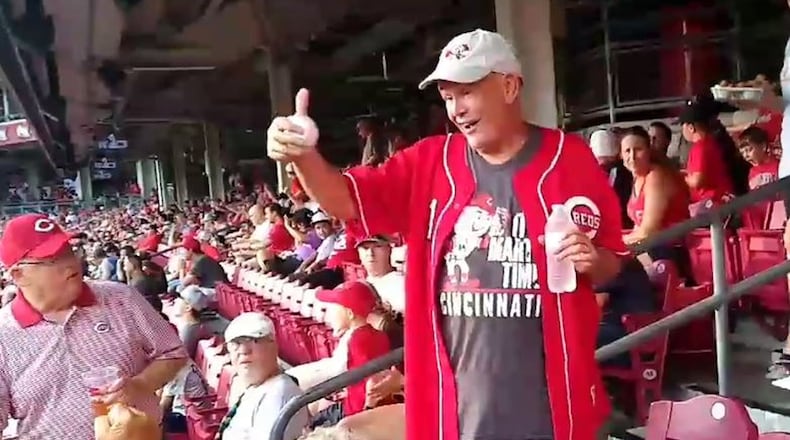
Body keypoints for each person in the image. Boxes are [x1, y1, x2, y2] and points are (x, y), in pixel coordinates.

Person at [268, 28, 627, 440]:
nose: (457, 109)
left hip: (551, 402)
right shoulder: (429, 162)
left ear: (510, 86)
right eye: (448, 96)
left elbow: (611, 261)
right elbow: (347, 201)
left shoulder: (570, 159)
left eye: (467, 92)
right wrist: (304, 157)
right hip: (456, 404)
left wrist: (593, 260)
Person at [0, 214, 188, 439]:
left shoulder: (121, 298)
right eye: (53, 259)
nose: (72, 263)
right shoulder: (4, 334)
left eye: (70, 252)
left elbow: (174, 353)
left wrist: (138, 385)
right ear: (19, 274)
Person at [217, 312, 309, 440]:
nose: (243, 351)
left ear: (274, 346)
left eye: (254, 341)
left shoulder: (279, 394)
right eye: (235, 344)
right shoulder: (257, 386)